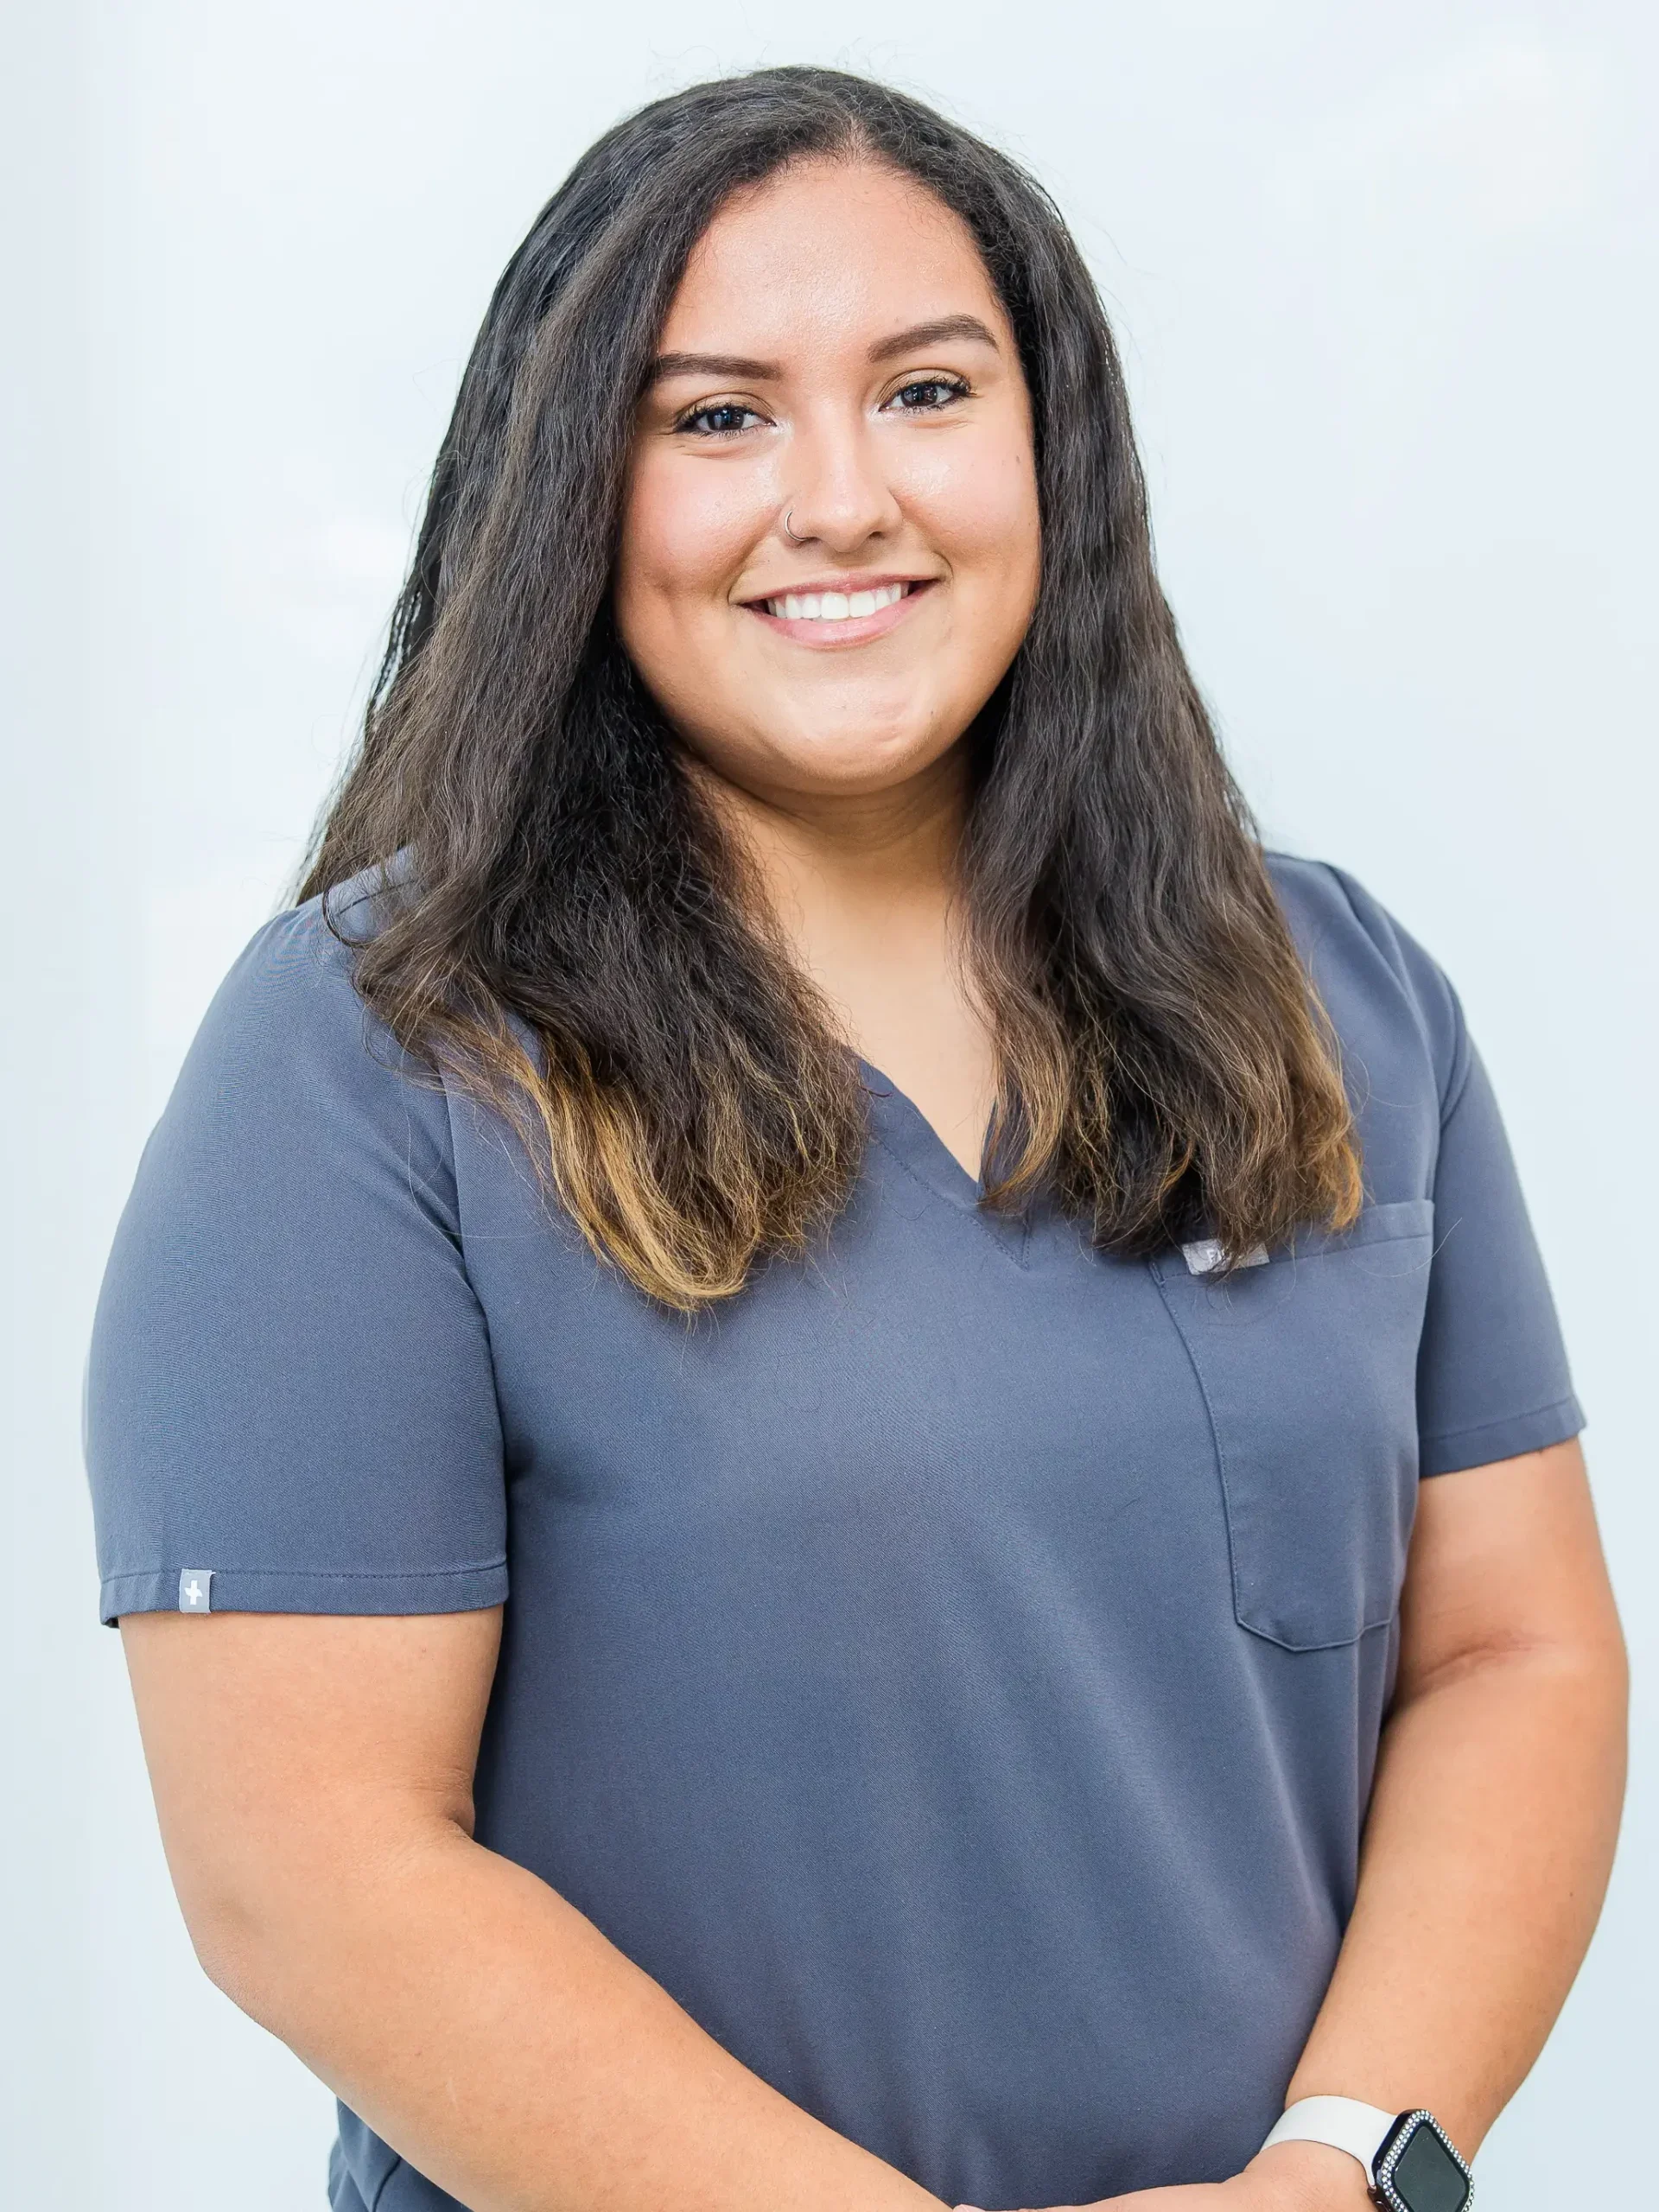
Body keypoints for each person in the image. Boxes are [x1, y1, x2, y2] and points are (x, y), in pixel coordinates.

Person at [86, 65, 1626, 2212]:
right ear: (575, 493)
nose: (841, 499)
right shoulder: (371, 1059)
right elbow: (308, 1873)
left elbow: (1512, 1653)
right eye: (718, 416)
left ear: (1050, 447)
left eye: (925, 390)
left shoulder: (1333, 986)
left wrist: (1339, 2172)